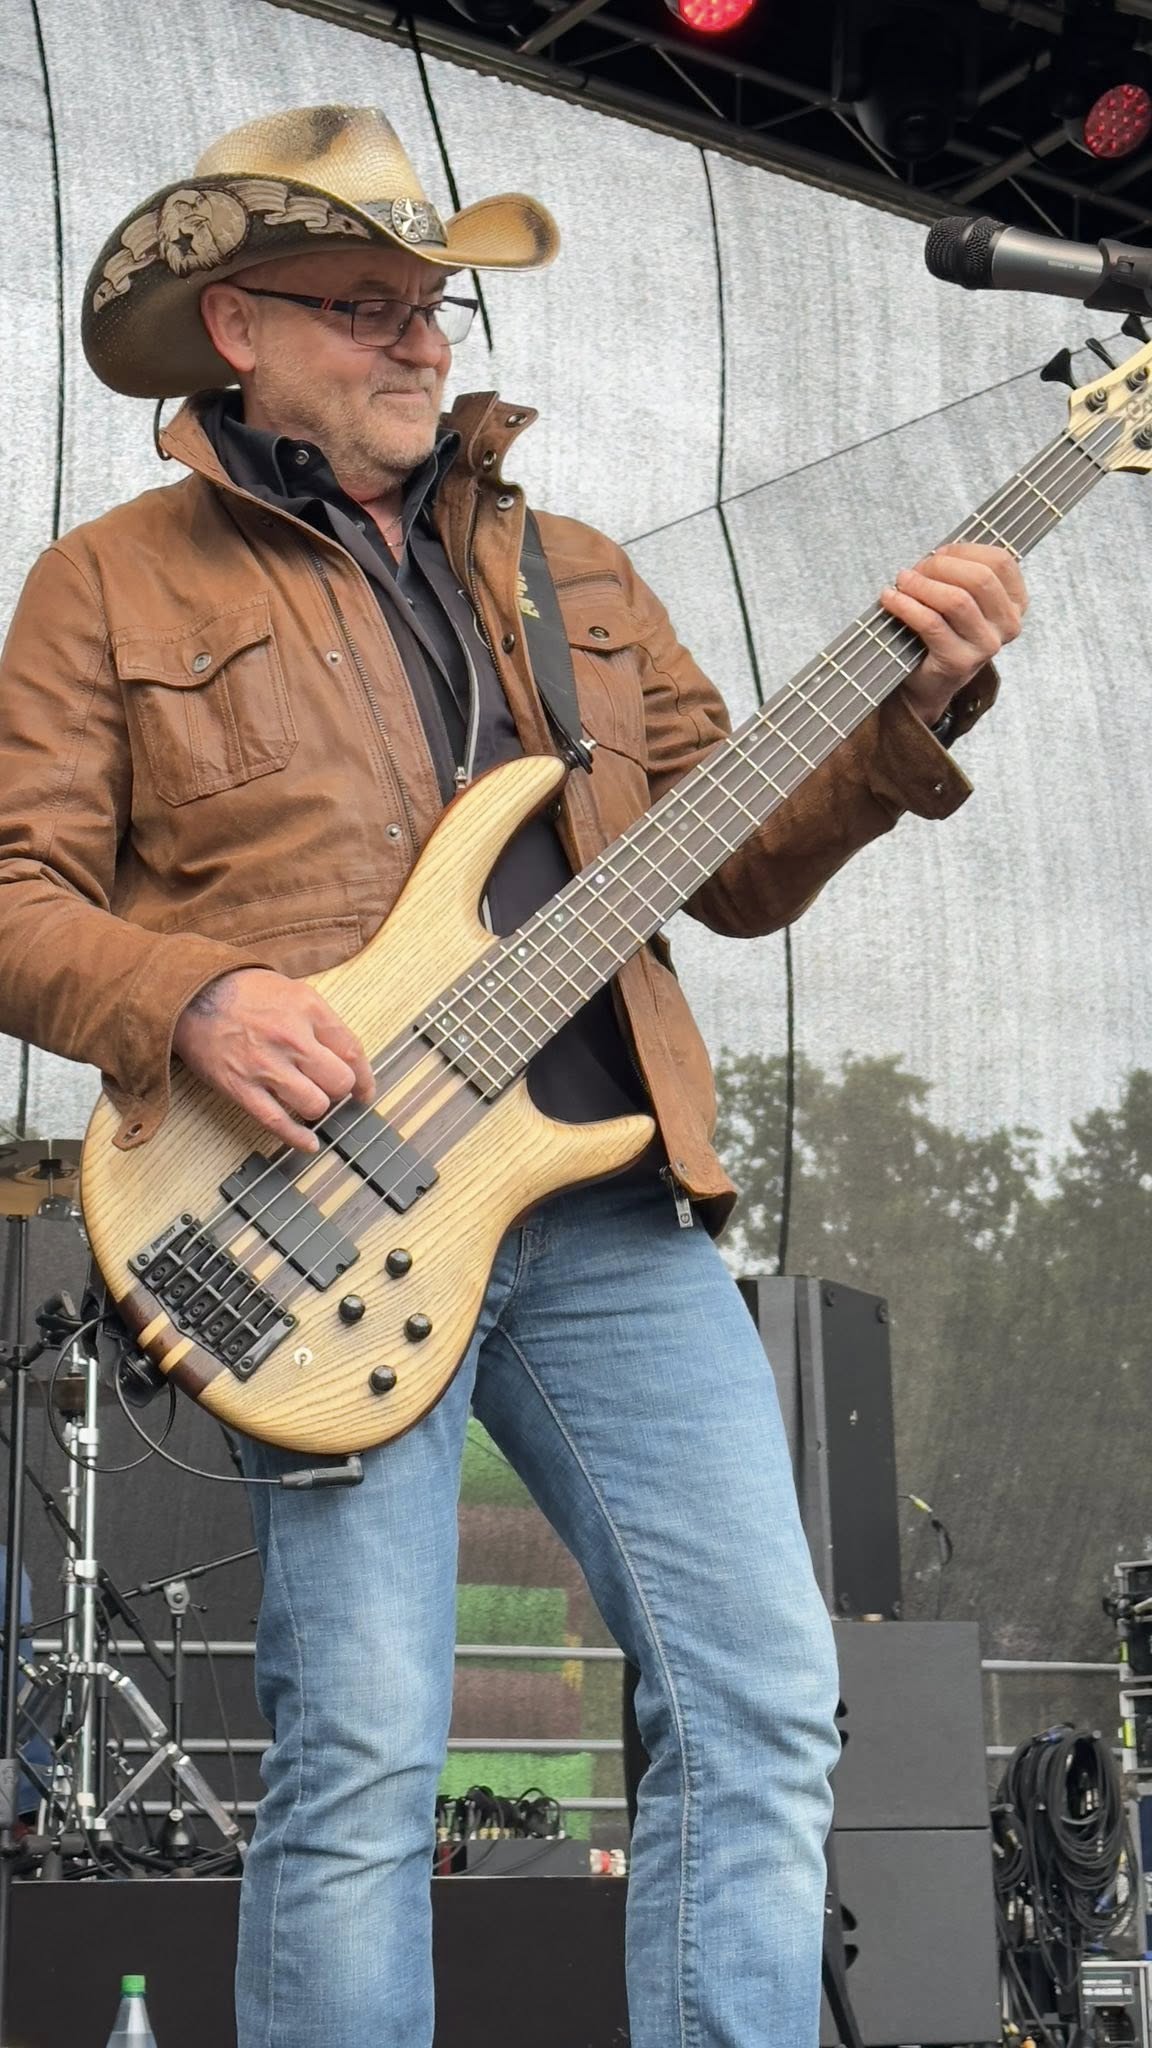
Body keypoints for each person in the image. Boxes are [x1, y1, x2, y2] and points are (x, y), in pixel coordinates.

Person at [0, 104, 1025, 2048]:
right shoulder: (108, 586)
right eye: (366, 304)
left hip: (611, 1207)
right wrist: (196, 995)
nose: (421, 340)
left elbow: (741, 859)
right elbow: (11, 892)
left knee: (761, 1696)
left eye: (435, 305)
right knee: (366, 1745)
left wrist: (906, 713)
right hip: (320, 1213)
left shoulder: (577, 574)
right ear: (238, 327)